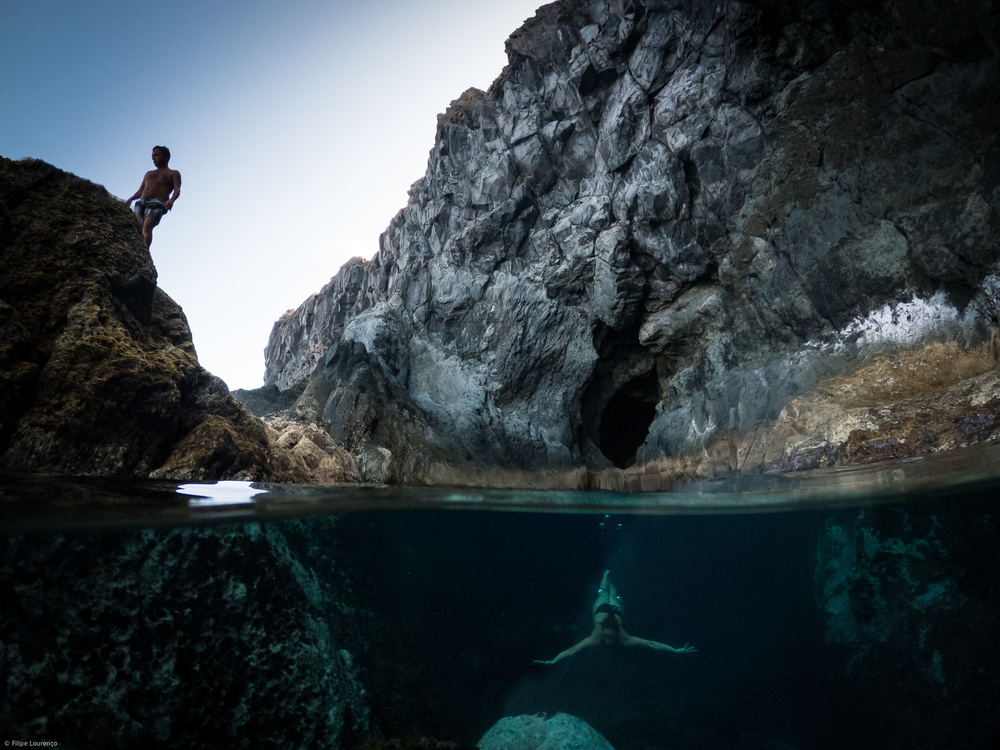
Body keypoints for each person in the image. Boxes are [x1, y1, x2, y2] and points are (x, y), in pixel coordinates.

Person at [534, 570, 696, 664]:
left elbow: (650, 644)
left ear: (617, 632)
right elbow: (573, 650)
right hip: (601, 611)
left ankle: (608, 579)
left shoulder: (625, 638)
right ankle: (606, 574)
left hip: (615, 612)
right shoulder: (596, 638)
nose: (608, 640)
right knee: (604, 593)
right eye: (606, 637)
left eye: (611, 637)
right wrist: (554, 660)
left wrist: (675, 650)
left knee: (611, 595)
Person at [125, 146, 181, 247]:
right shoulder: (149, 174)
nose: (153, 158)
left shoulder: (173, 173)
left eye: (156, 155)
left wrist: (172, 200)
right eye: (152, 156)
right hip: (142, 201)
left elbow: (177, 189)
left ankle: (144, 251)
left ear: (166, 157)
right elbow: (141, 190)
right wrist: (131, 198)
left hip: (157, 202)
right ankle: (135, 248)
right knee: (137, 227)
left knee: (147, 226)